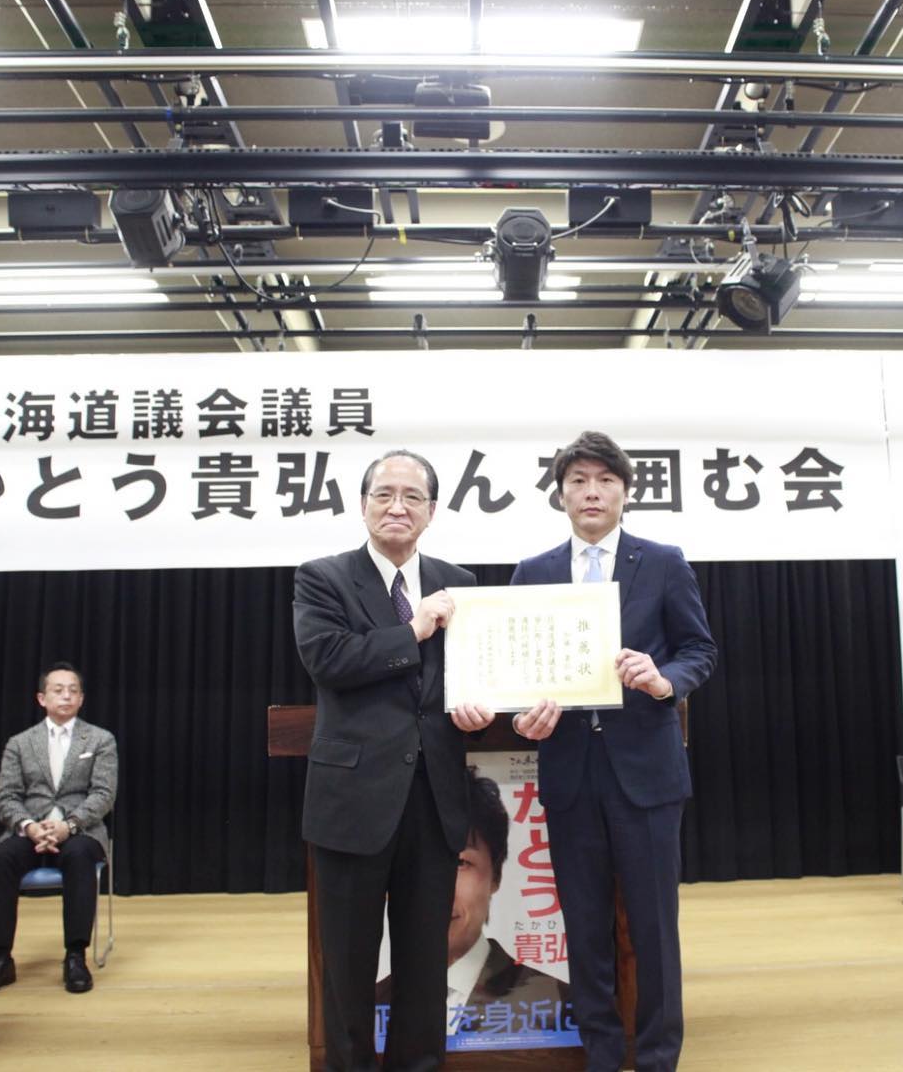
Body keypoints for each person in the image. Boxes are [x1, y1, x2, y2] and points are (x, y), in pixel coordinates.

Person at [457, 430, 716, 1072]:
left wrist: (663, 680)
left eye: (605, 480)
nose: (591, 492)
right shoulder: (534, 572)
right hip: (570, 774)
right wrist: (525, 719)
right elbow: (517, 672)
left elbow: (699, 651)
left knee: (654, 929)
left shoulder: (663, 562)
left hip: (646, 774)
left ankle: (657, 1056)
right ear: (561, 495)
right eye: (578, 481)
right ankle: (601, 1053)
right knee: (584, 926)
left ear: (626, 492)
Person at [294, 449, 480, 1072]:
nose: (397, 506)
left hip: (434, 798)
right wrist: (415, 630)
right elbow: (329, 660)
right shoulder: (323, 578)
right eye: (384, 494)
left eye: (412, 496)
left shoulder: (461, 583)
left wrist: (479, 708)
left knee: (425, 962)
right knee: (347, 963)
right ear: (364, 504)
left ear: (432, 510)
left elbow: (469, 677)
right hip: (353, 801)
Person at [376, 768, 570, 1037]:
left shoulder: (555, 1002)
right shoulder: (371, 1007)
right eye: (418, 861)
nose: (439, 890)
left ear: (495, 877)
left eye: (460, 862)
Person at [0, 662, 117, 995]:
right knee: (3, 857)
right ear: (41, 698)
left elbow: (103, 794)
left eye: (73, 690)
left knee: (78, 855)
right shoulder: (20, 743)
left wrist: (69, 825)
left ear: (81, 698)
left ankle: (75, 956)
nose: (66, 696)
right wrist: (30, 826)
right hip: (31, 829)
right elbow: (6, 796)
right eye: (58, 690)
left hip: (80, 830)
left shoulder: (101, 739)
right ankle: (0, 957)